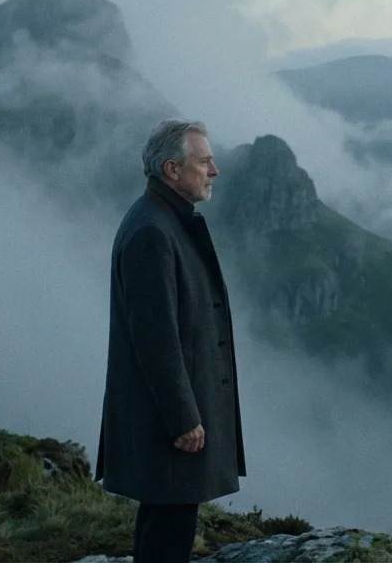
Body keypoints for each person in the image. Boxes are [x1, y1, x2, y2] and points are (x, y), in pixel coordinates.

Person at [95, 119, 246, 562]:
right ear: (172, 170)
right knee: (168, 531)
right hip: (168, 421)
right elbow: (155, 337)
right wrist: (183, 418)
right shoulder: (152, 233)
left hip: (168, 414)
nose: (214, 170)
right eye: (204, 162)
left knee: (164, 523)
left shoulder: (162, 221)